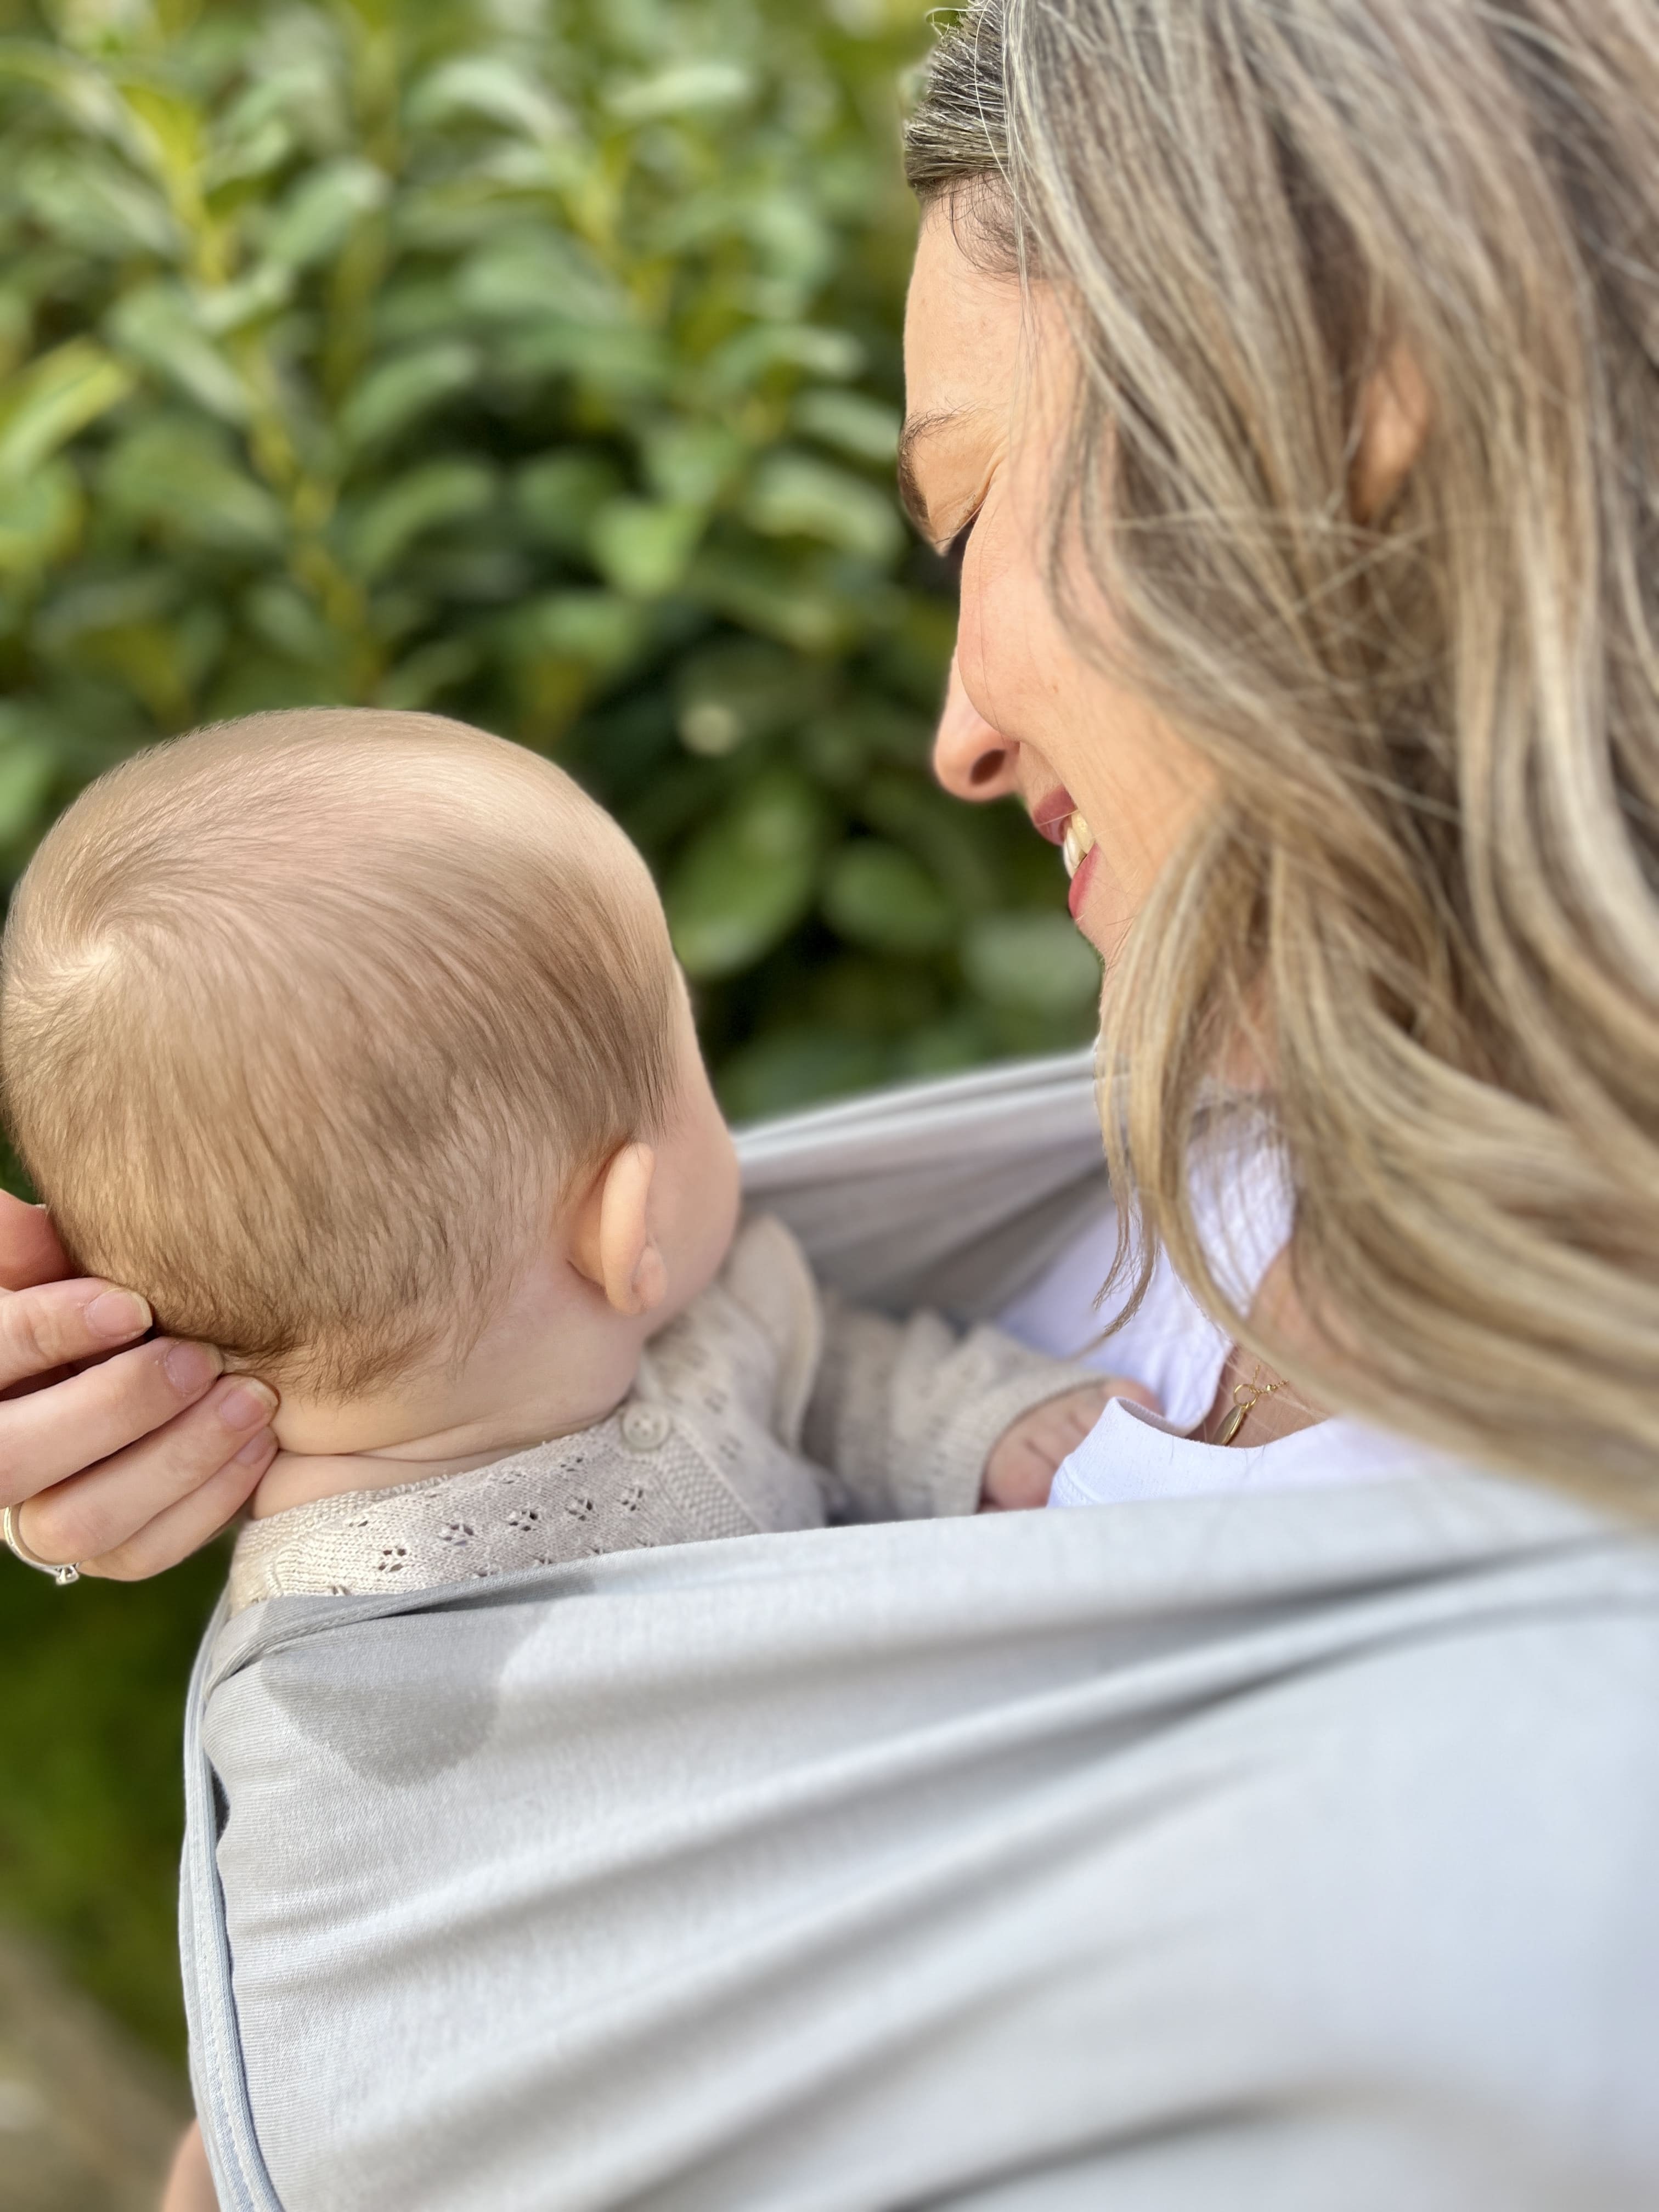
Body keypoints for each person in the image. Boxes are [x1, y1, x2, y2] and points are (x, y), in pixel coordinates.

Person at [4, 0, 1658, 2202]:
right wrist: (276, 1398)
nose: (957, 731)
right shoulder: (1235, 1127)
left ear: (1361, 409)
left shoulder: (1556, 1790)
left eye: (965, 511)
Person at [0, 708, 1119, 1611]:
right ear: (624, 1229)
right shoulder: (337, 1674)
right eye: (688, 1057)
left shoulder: (713, 1325)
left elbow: (832, 1383)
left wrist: (977, 1429)